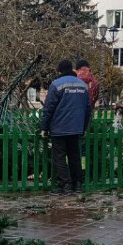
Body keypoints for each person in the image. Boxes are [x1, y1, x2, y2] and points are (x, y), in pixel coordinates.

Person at [40, 59, 92, 194]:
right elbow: (88, 109)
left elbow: (49, 108)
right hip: (76, 128)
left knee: (59, 157)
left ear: (60, 70)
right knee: (75, 156)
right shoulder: (83, 85)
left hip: (59, 127)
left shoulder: (56, 84)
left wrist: (44, 127)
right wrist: (84, 127)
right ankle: (78, 184)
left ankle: (65, 185)